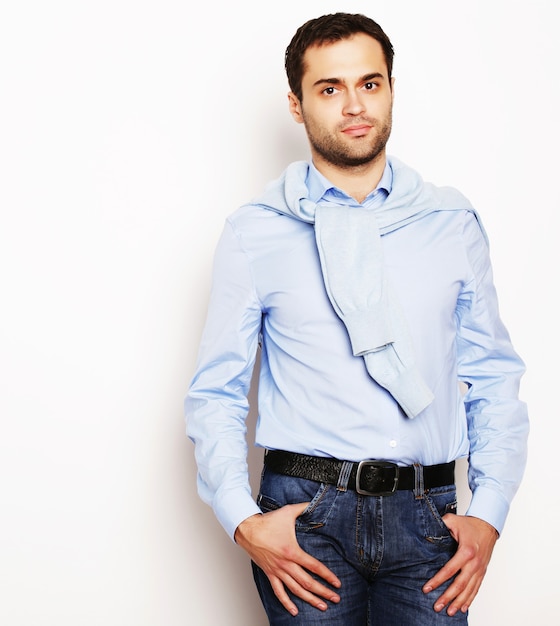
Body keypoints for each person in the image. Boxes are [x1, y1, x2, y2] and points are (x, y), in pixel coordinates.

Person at [185, 12, 528, 625]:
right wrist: (242, 520)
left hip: (431, 514)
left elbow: (493, 375)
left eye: (369, 84)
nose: (353, 106)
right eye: (329, 88)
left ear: (391, 88)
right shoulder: (255, 231)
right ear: (296, 104)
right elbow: (217, 390)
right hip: (307, 518)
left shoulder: (451, 223)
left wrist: (491, 513)